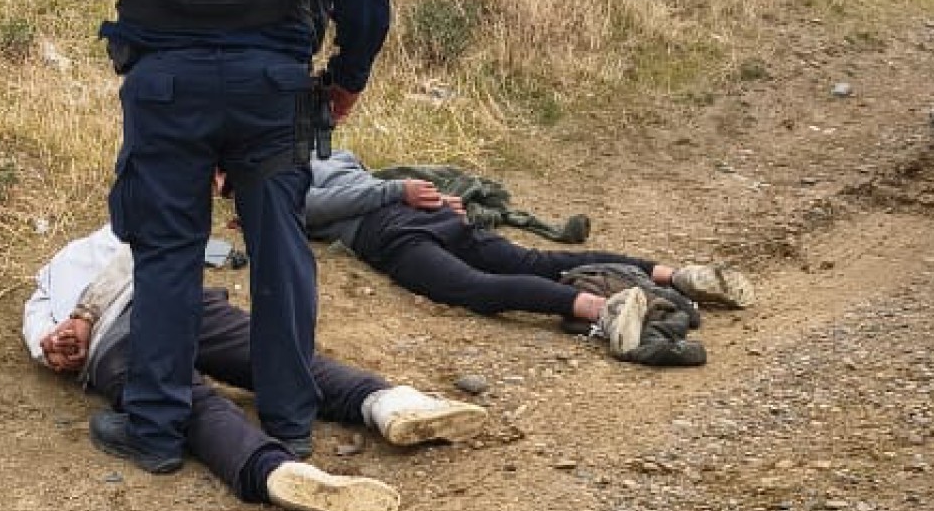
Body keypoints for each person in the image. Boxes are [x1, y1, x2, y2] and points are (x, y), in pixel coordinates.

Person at [42, 0, 390, 473]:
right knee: (280, 250)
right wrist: (347, 77)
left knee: (167, 252)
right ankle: (290, 425)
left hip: (166, 88)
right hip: (271, 88)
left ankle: (155, 430)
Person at [23, 224, 486, 511]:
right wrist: (69, 336)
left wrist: (68, 339)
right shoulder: (113, 233)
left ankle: (275, 472)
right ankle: (390, 404)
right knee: (279, 360)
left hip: (112, 345)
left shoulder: (41, 295)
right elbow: (153, 244)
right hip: (179, 301)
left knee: (193, 408)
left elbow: (48, 348)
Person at [304, 150, 755, 365]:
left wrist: (398, 192)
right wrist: (421, 195)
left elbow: (315, 206)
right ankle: (674, 275)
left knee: (474, 289)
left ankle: (604, 310)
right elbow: (370, 186)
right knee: (535, 261)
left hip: (393, 232)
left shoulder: (285, 170)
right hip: (426, 215)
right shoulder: (333, 152)